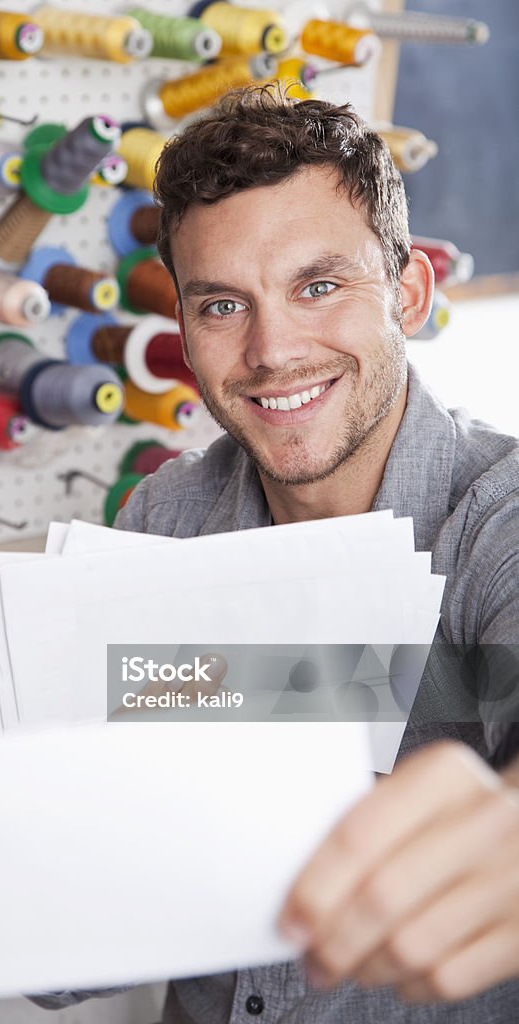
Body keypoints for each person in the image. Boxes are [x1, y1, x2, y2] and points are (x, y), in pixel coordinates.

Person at [33, 86, 519, 1021]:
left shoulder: (494, 518)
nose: (272, 351)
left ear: (409, 293)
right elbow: (68, 945)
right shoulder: (162, 521)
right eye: (223, 306)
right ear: (183, 328)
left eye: (319, 286)